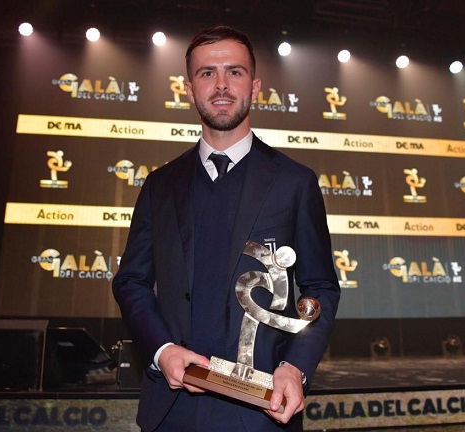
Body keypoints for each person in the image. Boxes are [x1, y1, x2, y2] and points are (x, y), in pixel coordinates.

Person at [113, 25, 340, 432]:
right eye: (206, 73)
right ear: (188, 88)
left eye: (234, 72)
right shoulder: (160, 185)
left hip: (262, 409)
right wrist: (163, 351)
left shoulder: (295, 182)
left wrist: (296, 368)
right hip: (172, 409)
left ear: (255, 87)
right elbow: (131, 281)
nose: (221, 85)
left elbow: (320, 287)